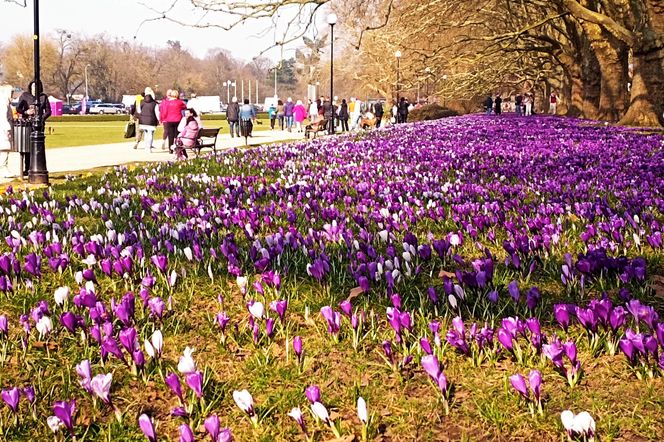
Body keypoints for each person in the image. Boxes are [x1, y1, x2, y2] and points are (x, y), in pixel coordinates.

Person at [17, 81, 51, 177]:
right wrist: (26, 112)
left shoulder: (43, 97)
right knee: (28, 147)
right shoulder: (25, 96)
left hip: (39, 125)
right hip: (28, 124)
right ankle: (27, 168)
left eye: (36, 87)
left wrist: (41, 118)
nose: (34, 89)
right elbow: (18, 109)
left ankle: (38, 167)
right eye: (33, 87)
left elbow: (48, 111)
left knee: (38, 147)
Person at [138, 87, 159, 152]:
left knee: (146, 133)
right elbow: (157, 113)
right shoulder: (155, 103)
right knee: (150, 134)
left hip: (143, 120)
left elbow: (139, 111)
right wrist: (159, 119)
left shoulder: (141, 102)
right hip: (151, 120)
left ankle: (146, 147)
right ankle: (148, 147)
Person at [0, 84, 14, 178]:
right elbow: (3, 116)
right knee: (4, 148)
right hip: (3, 129)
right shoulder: (3, 101)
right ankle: (3, 168)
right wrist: (8, 129)